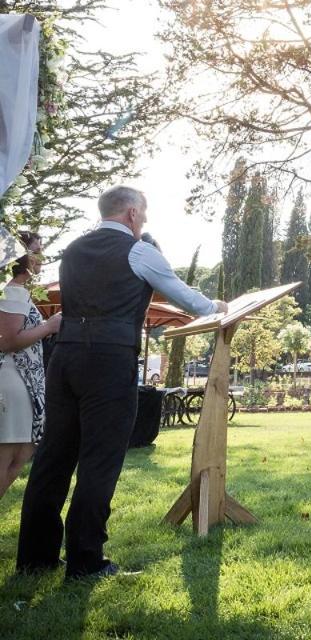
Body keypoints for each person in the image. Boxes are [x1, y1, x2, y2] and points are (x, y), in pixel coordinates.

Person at [18, 186, 227, 578]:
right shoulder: (140, 250)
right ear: (132, 213)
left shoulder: (74, 250)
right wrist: (219, 307)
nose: (144, 222)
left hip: (64, 358)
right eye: (143, 215)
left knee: (53, 458)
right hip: (109, 360)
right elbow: (191, 301)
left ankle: (34, 558)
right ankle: (86, 561)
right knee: (100, 461)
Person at [0, 233, 62, 500]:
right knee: (8, 457)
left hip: (25, 383)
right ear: (19, 256)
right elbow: (8, 341)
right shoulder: (13, 291)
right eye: (36, 251)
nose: (41, 257)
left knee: (21, 452)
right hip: (13, 380)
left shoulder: (19, 291)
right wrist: (48, 326)